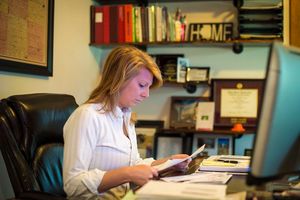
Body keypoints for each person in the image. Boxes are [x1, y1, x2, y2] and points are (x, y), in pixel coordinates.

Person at [63, 46, 191, 200]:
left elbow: (134, 164)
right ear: (118, 79)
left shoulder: (125, 117)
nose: (146, 94)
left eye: (148, 87)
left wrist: (169, 162)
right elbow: (72, 185)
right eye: (142, 85)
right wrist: (126, 174)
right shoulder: (87, 116)